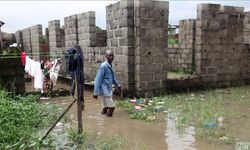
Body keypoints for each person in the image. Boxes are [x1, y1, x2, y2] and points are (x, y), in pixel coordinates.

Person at [93, 50, 121, 117]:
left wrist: (118, 85)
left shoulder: (110, 66)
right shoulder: (103, 66)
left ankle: (102, 120)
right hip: (105, 90)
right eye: (109, 55)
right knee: (112, 107)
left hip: (108, 89)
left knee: (105, 108)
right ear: (106, 56)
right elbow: (97, 80)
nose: (111, 57)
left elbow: (113, 78)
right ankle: (108, 123)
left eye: (112, 55)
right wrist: (95, 92)